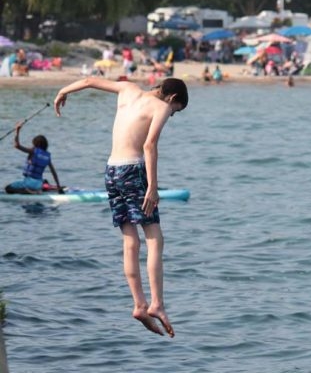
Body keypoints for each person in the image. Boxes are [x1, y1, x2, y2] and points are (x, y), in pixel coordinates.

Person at [53, 77, 189, 338]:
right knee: (155, 239)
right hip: (134, 170)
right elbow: (149, 145)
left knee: (130, 242)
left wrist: (63, 89)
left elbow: (91, 80)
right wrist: (152, 186)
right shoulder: (160, 107)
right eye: (176, 111)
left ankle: (139, 304)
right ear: (172, 99)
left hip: (111, 170)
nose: (171, 115)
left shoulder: (128, 89)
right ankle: (157, 303)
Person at [5, 122, 63, 194]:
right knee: (44, 181)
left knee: (8, 188)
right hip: (39, 184)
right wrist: (58, 187)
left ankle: (27, 191)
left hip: (29, 183)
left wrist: (17, 130)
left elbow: (17, 145)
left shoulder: (33, 151)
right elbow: (54, 173)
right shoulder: (47, 156)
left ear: (36, 144)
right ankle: (42, 188)